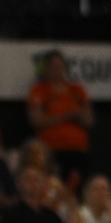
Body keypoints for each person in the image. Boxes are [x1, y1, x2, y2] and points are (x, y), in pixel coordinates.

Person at [27, 49, 94, 193]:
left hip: (78, 152)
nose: (56, 70)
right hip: (51, 153)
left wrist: (77, 115)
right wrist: (68, 115)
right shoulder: (39, 91)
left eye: (59, 66)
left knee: (77, 191)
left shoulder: (77, 90)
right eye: (52, 66)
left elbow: (88, 120)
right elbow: (37, 121)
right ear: (46, 69)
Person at [0, 165, 66, 223]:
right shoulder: (11, 214)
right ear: (18, 183)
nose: (33, 183)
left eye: (37, 179)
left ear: (44, 184)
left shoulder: (52, 218)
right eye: (28, 179)